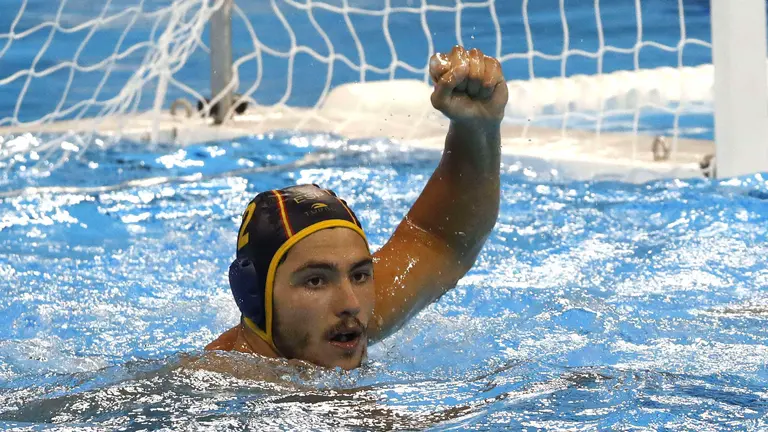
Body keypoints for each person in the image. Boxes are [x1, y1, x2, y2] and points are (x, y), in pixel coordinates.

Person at [205, 45, 508, 371]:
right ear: (253, 297)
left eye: (360, 275)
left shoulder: (337, 326)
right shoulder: (215, 387)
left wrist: (477, 128)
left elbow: (441, 239)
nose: (350, 304)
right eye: (316, 281)